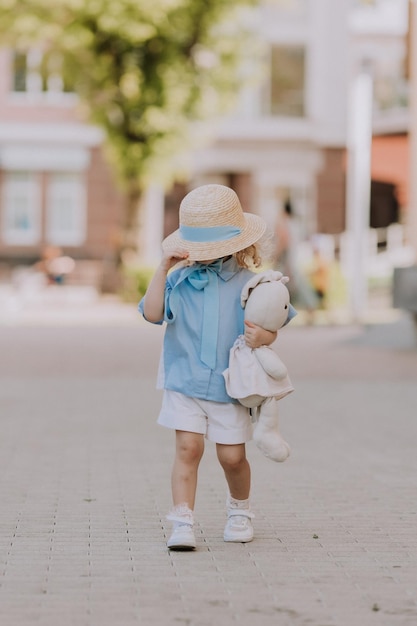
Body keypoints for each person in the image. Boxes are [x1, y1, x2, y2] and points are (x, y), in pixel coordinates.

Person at [138, 184, 279, 551]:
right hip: (183, 380)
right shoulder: (178, 281)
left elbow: (272, 331)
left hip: (229, 386)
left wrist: (261, 336)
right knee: (188, 449)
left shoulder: (252, 285)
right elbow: (152, 314)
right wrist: (163, 267)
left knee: (232, 457)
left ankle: (239, 510)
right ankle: (182, 520)